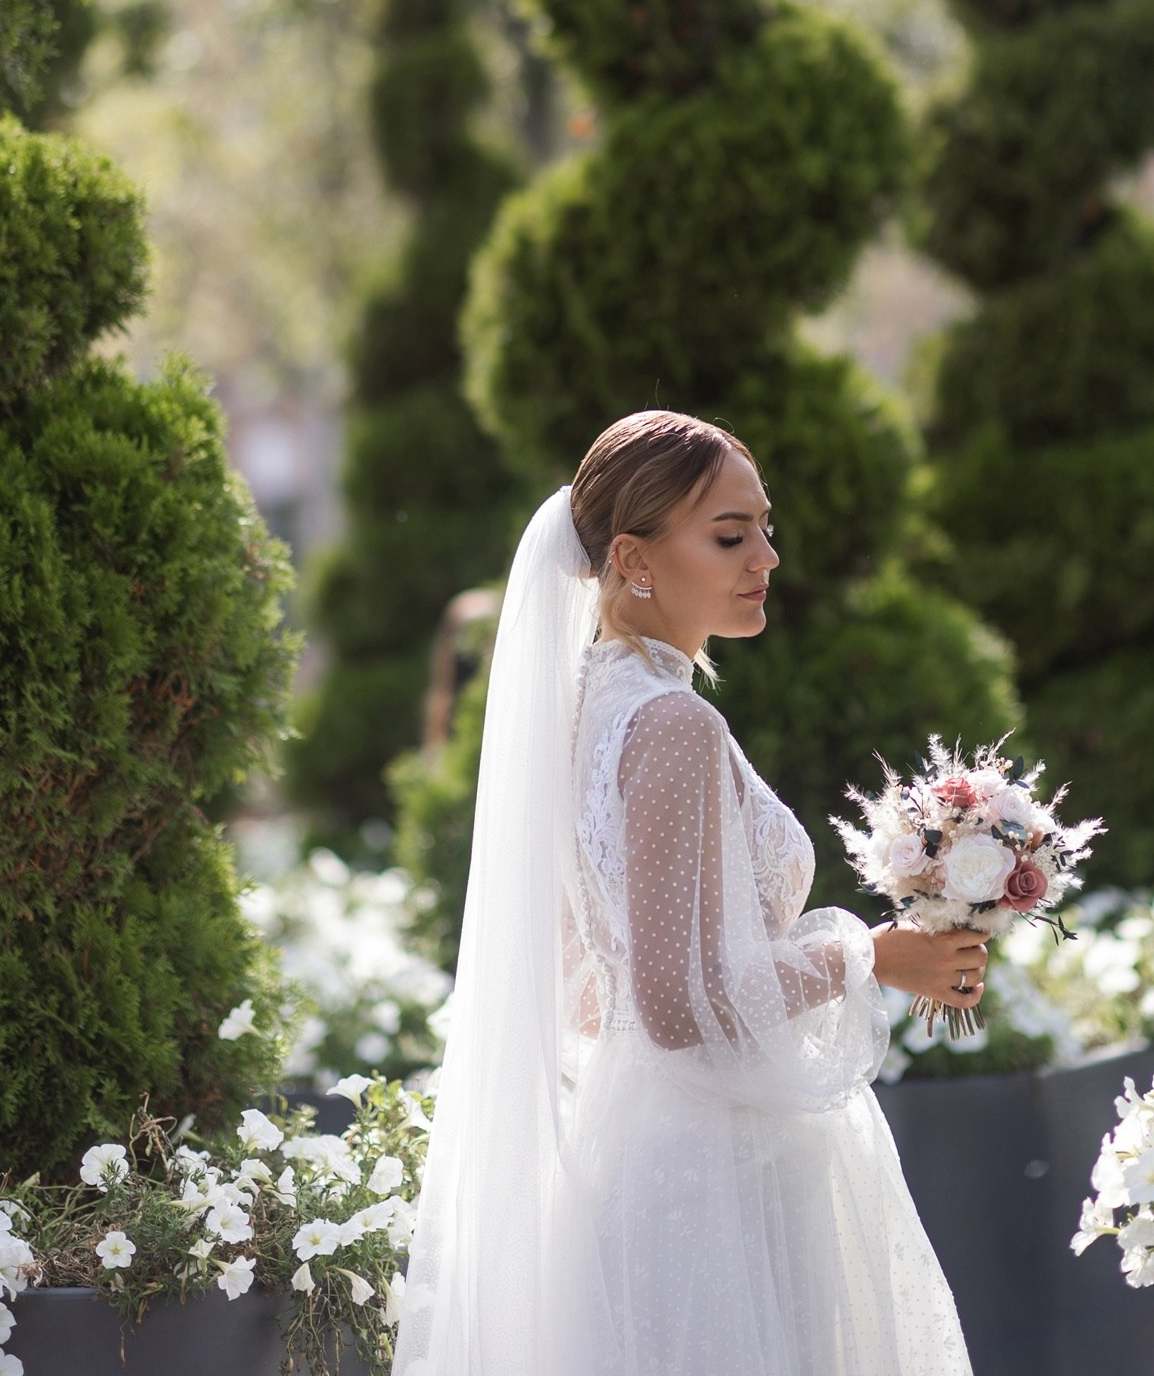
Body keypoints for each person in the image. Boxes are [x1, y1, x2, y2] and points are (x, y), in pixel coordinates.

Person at [394, 408, 981, 1376]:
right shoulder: (670, 726)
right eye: (728, 534)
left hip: (636, 1158)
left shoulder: (582, 710)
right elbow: (677, 1005)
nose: (766, 556)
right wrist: (873, 956)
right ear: (631, 557)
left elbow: (589, 988)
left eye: (762, 527)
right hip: (709, 1183)